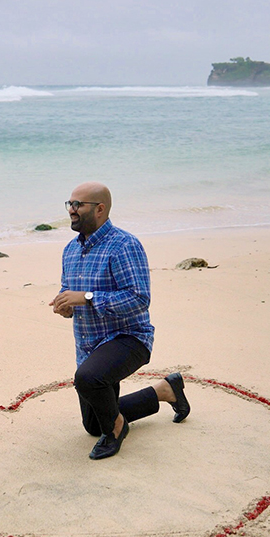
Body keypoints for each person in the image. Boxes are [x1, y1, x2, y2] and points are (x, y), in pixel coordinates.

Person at [50, 182, 191, 460]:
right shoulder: (70, 250)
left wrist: (87, 297)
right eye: (69, 204)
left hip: (129, 338)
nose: (72, 210)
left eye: (78, 205)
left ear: (100, 209)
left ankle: (116, 430)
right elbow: (70, 292)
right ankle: (166, 390)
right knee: (92, 425)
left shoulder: (125, 245)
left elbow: (139, 299)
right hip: (90, 345)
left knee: (88, 379)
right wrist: (65, 304)